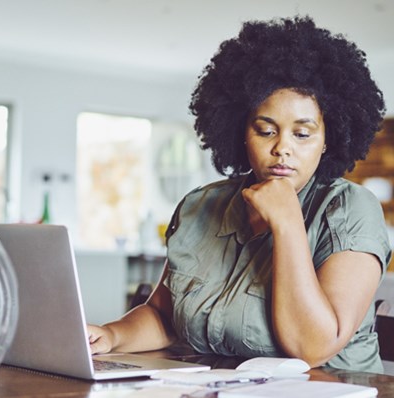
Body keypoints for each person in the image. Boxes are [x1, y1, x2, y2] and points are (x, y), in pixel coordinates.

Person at [88, 15, 392, 372]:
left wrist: (288, 222)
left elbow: (313, 347)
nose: (282, 148)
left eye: (303, 134)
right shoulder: (200, 206)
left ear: (328, 140)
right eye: (266, 130)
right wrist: (110, 335)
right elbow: (163, 315)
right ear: (241, 131)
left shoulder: (352, 210)